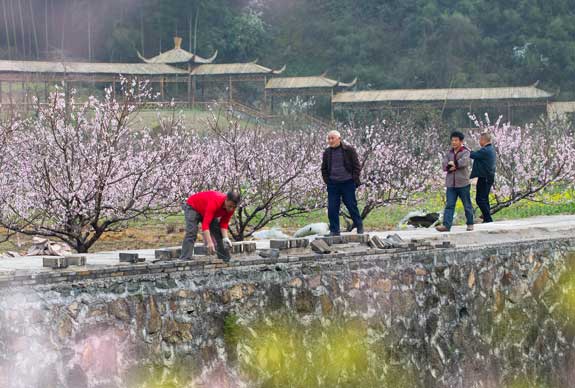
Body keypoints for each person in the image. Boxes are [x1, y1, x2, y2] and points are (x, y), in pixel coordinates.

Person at [321, 130, 363, 236]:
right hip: (333, 184)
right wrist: (327, 181)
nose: (330, 141)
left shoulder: (349, 150)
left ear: (339, 139)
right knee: (332, 208)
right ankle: (334, 230)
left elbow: (357, 166)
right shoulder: (327, 152)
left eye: (332, 138)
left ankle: (359, 225)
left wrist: (353, 179)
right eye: (329, 138)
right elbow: (324, 168)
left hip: (347, 183)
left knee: (351, 205)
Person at [179, 190, 240, 262]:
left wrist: (225, 238)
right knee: (192, 232)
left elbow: (224, 223)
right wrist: (210, 242)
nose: (231, 209)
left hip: (207, 210)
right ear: (226, 199)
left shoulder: (231, 207)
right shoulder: (215, 201)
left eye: (234, 207)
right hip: (193, 206)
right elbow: (205, 224)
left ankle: (225, 258)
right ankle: (185, 258)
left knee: (218, 232)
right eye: (230, 206)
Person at [436, 131, 474, 232]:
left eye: (456, 140)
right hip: (451, 184)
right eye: (452, 140)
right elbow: (444, 165)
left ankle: (470, 223)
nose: (453, 142)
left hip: (463, 183)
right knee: (449, 205)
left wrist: (454, 164)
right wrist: (450, 166)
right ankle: (446, 226)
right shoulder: (449, 153)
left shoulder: (465, 151)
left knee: (467, 204)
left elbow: (464, 162)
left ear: (461, 141)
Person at [470, 132, 496, 223]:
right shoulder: (491, 149)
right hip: (489, 177)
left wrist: (464, 149)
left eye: (480, 139)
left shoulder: (485, 150)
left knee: (480, 199)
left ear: (483, 140)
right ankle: (486, 218)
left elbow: (473, 155)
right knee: (485, 198)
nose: (479, 141)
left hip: (484, 177)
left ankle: (488, 219)